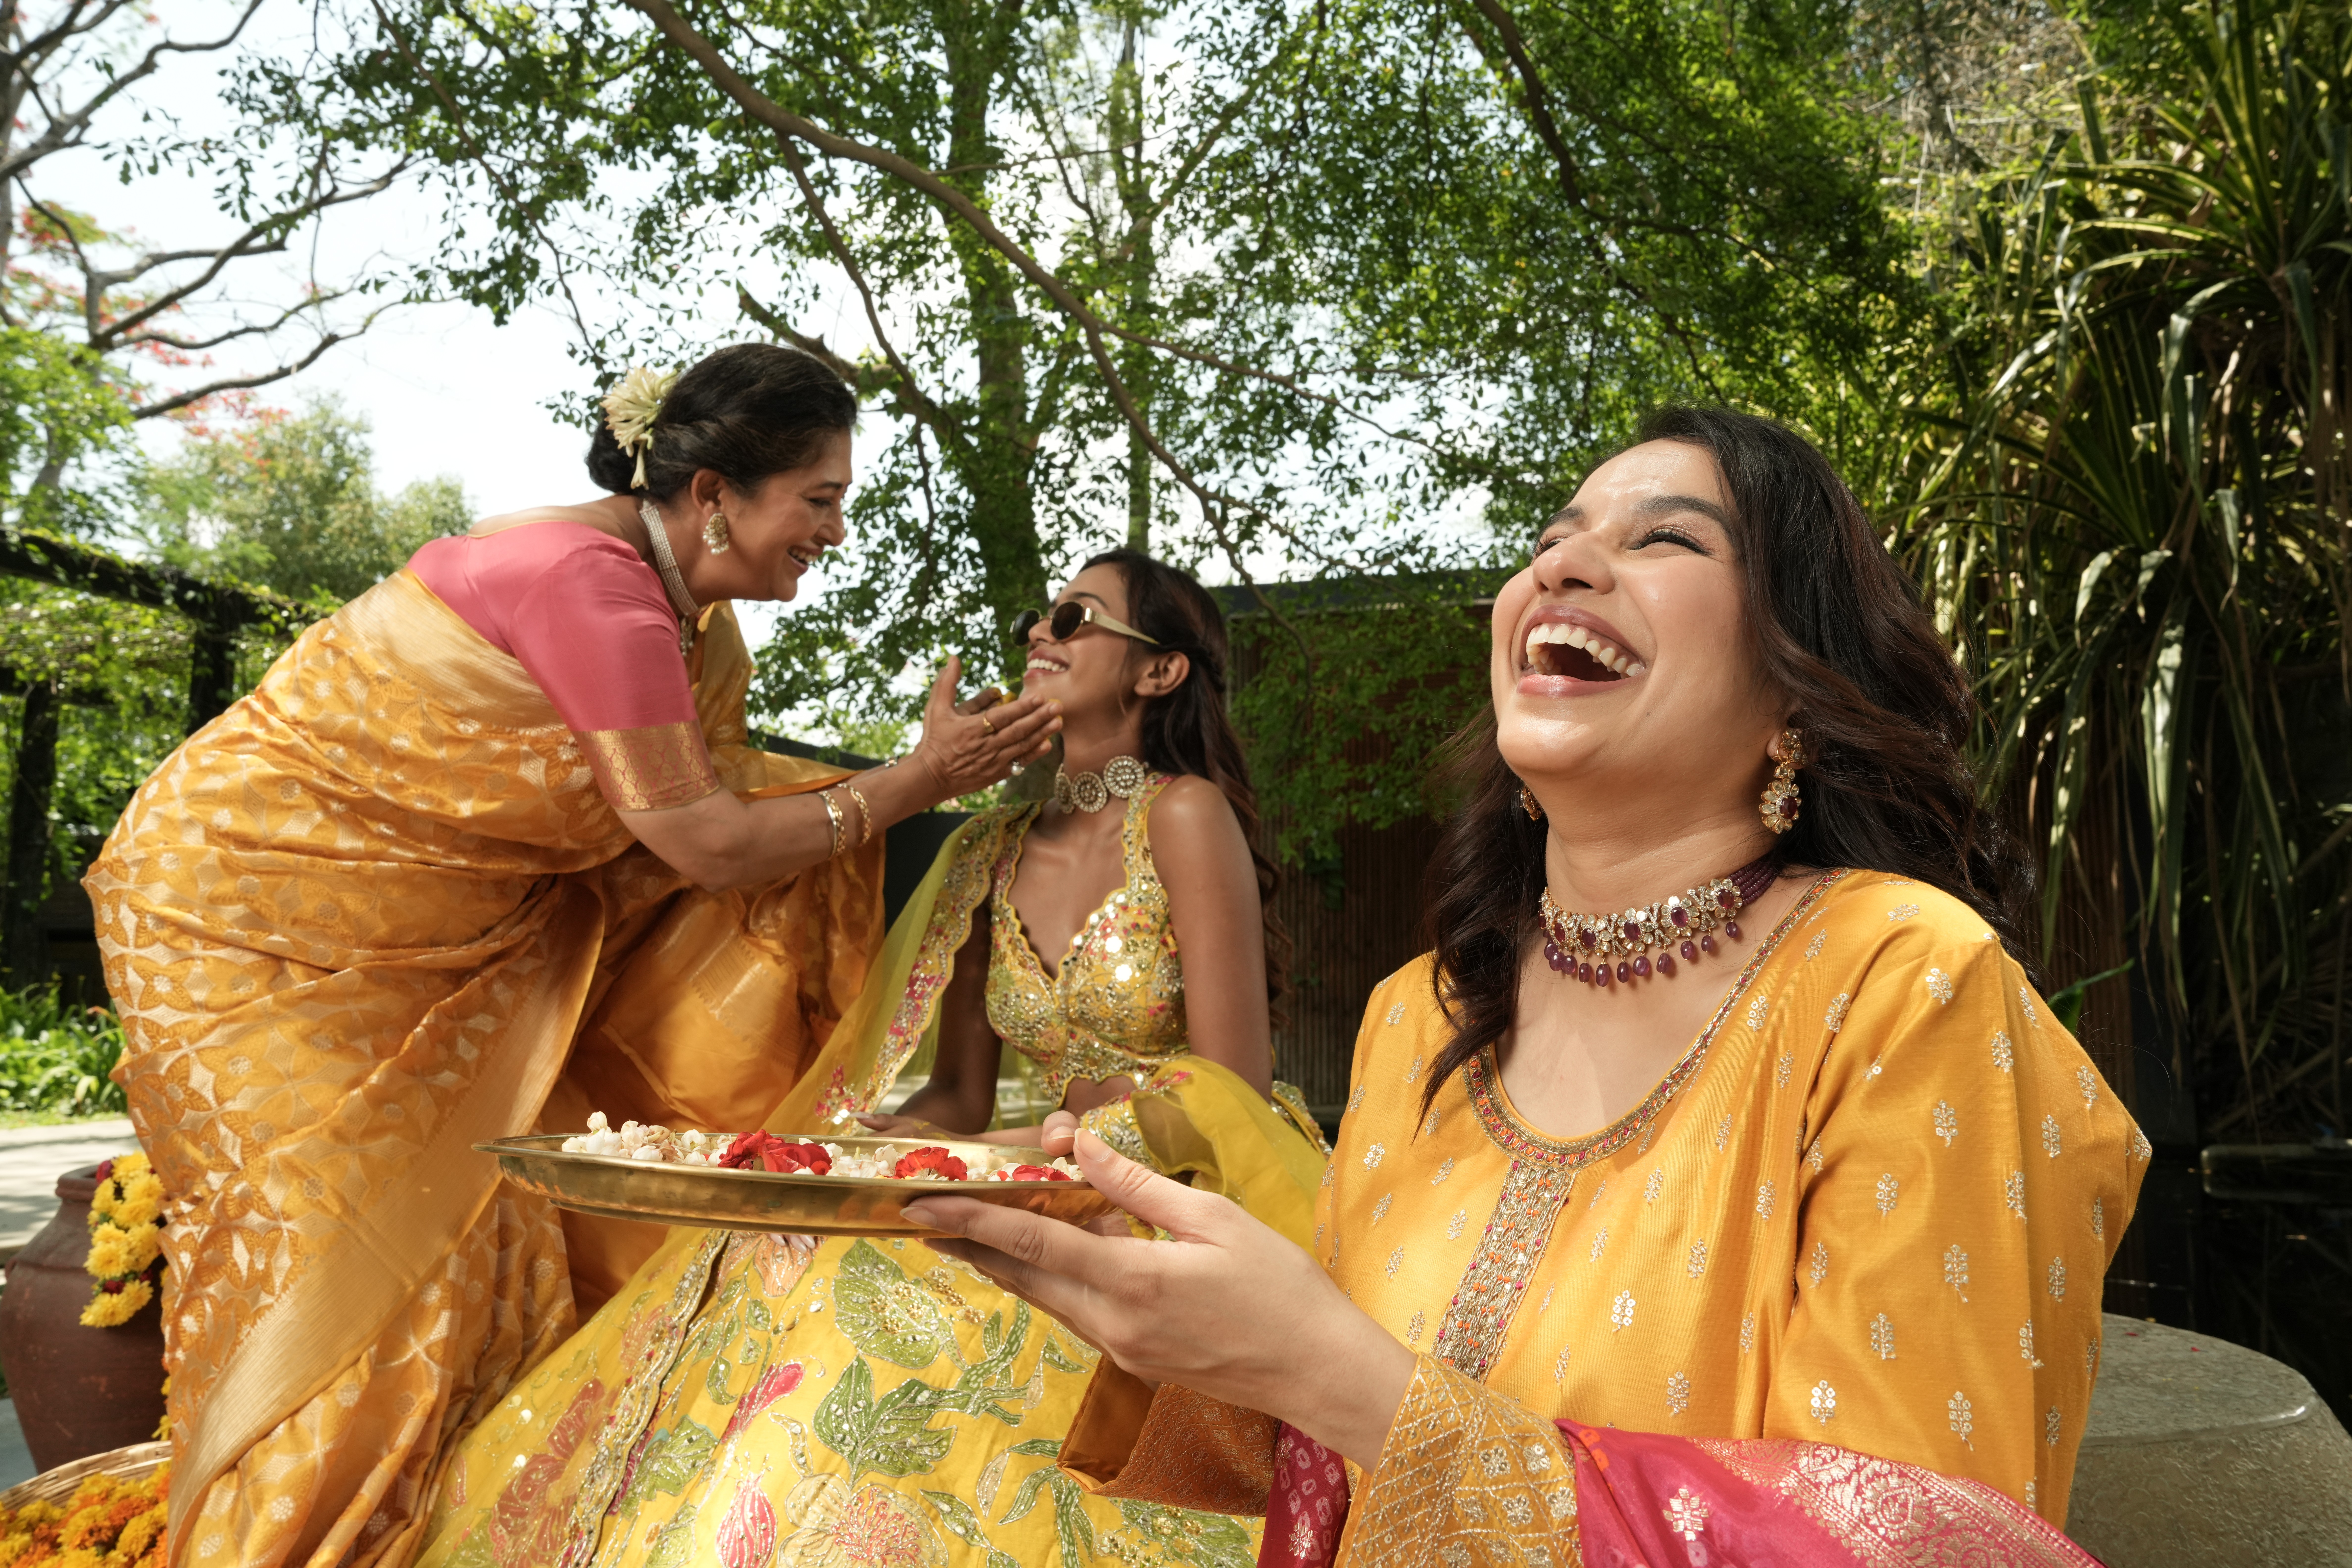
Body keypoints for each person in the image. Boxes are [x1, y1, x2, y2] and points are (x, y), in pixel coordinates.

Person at [906, 409, 2152, 1567]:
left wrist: (1343, 1379)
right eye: (1550, 543)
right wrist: (1159, 1308)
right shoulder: (1421, 1017)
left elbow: (1924, 1541)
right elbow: (1331, 1456)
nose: (1561, 568)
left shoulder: (1904, 986)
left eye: (1665, 539)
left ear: (1799, 691)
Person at [82, 344, 1058, 1568]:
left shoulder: (686, 627)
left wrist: (911, 803)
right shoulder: (594, 593)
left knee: (479, 1245)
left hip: (440, 947)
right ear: (715, 495)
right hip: (250, 917)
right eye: (820, 499)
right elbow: (703, 841)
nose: (837, 531)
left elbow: (705, 817)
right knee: (341, 1272)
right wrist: (916, 782)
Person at [404, 549, 1331, 1568]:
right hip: (1036, 1181)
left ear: (1161, 673)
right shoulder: (990, 850)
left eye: (1075, 618)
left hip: (1179, 1201)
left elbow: (1230, 1087)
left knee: (882, 1332)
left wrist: (1044, 1150)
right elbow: (961, 1093)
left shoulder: (1182, 815)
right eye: (1038, 616)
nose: (1040, 634)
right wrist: (856, 1157)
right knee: (785, 1262)